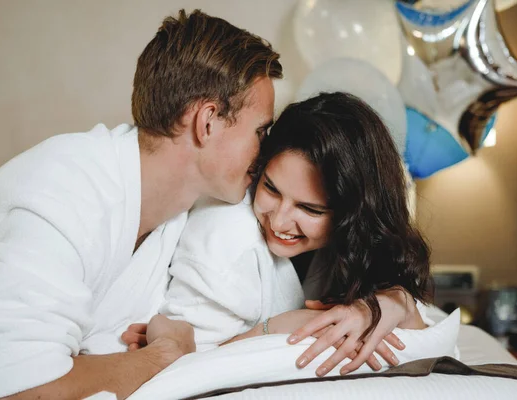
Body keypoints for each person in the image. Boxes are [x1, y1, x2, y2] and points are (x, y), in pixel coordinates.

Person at [0, 9, 282, 400]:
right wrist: (165, 355)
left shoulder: (180, 216)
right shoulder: (68, 187)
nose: (267, 150)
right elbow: (15, 391)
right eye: (261, 130)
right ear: (207, 121)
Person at [123, 92, 432, 377]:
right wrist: (278, 328)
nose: (279, 221)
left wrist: (396, 302)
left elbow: (427, 340)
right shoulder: (228, 235)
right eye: (270, 187)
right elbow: (183, 371)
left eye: (310, 209)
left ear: (353, 218)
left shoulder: (351, 245)